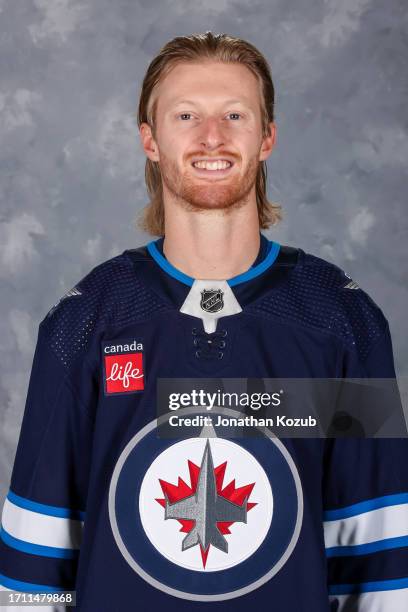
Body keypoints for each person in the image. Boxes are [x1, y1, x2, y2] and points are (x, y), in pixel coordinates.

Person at [1, 31, 407, 612]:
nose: (211, 137)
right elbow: (34, 566)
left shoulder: (344, 321)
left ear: (266, 137)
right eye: (186, 114)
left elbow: (378, 556)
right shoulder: (83, 322)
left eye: (235, 115)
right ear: (150, 139)